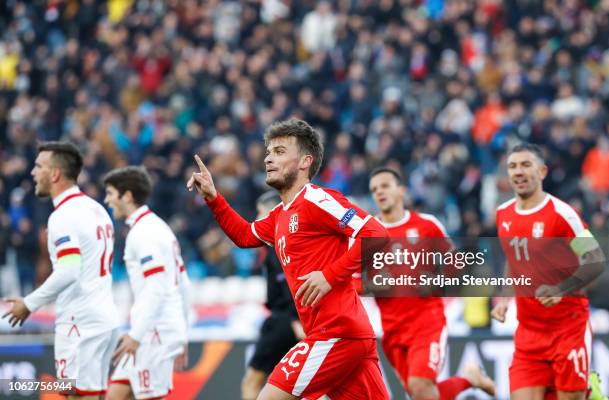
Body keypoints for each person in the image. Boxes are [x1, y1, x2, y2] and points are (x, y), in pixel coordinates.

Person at [187, 118, 390, 400]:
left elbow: (377, 234)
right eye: (269, 152)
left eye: (280, 152)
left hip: (336, 332)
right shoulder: (279, 215)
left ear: (305, 162)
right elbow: (245, 235)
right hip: (348, 336)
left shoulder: (316, 200)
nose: (269, 159)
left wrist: (330, 275)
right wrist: (213, 198)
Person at [2, 141, 119, 399]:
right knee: (90, 394)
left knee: (78, 395)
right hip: (104, 318)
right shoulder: (96, 209)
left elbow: (69, 271)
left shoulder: (63, 216)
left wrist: (29, 304)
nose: (33, 172)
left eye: (39, 166)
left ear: (55, 174)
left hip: (80, 324)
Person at [368, 167, 496, 400]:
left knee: (420, 387)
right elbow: (354, 280)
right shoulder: (367, 234)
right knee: (422, 395)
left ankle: (470, 379)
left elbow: (456, 265)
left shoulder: (427, 225)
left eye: (385, 186)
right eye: (374, 189)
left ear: (401, 190)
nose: (379, 192)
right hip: (392, 330)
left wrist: (436, 280)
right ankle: (470, 379)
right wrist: (373, 283)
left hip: (427, 322)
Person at [492, 143, 605, 400]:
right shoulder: (503, 214)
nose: (518, 172)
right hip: (529, 334)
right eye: (512, 166)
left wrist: (560, 289)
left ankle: (588, 391)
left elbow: (595, 259)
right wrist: (505, 297)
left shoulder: (562, 215)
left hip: (567, 329)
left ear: (542, 172)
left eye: (525, 165)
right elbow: (515, 259)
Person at [103, 166, 190, 400]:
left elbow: (156, 287)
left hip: (153, 332)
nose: (107, 200)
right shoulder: (159, 227)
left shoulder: (143, 233)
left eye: (111, 193)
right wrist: (183, 332)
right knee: (114, 395)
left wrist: (137, 334)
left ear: (127, 196)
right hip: (152, 328)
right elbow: (183, 282)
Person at [242, 191, 305, 400]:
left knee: (252, 381)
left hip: (284, 321)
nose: (257, 220)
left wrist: (295, 319)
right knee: (291, 388)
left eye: (260, 213)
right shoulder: (280, 243)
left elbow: (291, 283)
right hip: (291, 321)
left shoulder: (278, 246)